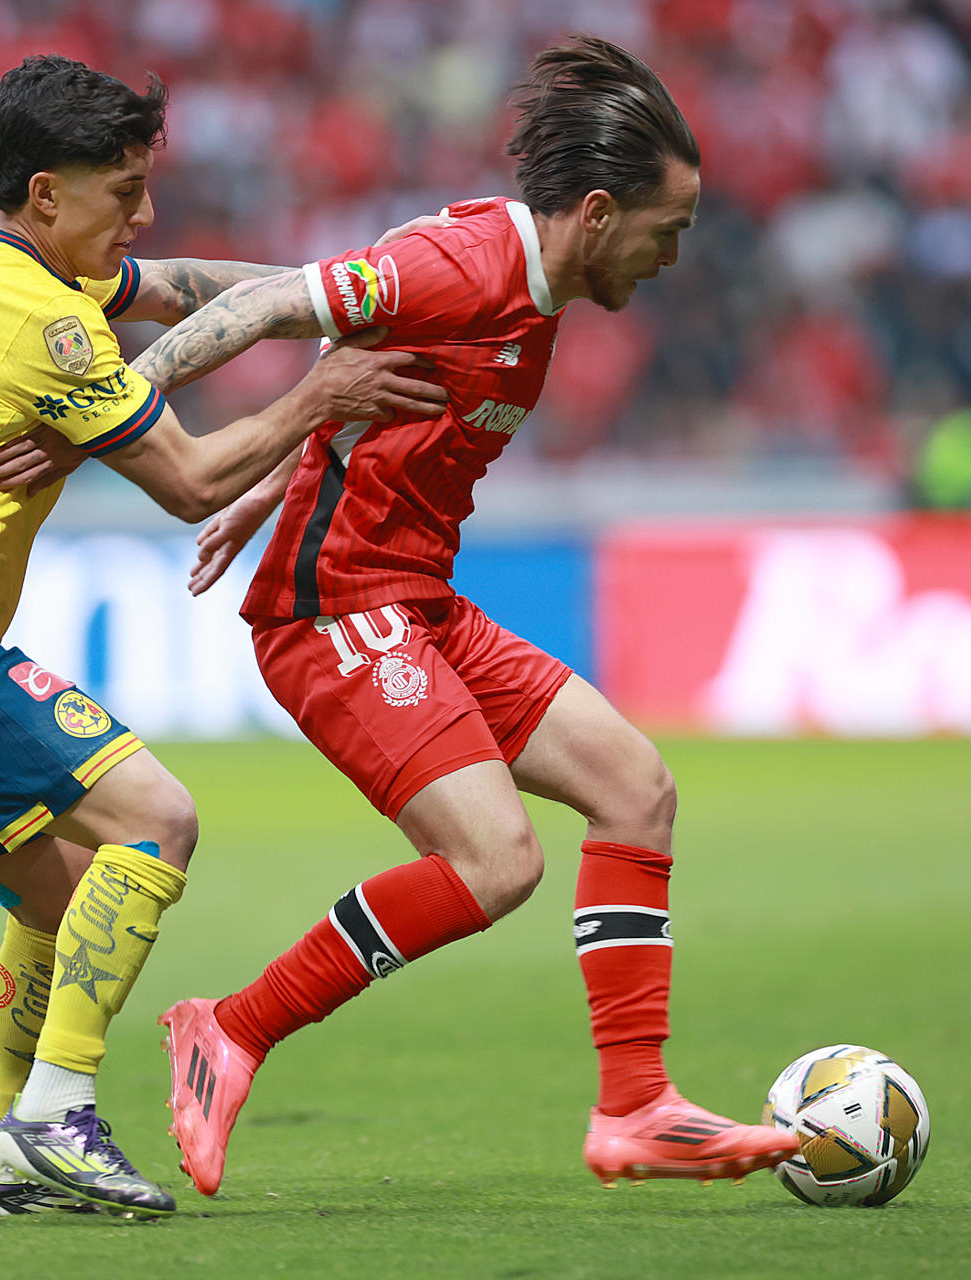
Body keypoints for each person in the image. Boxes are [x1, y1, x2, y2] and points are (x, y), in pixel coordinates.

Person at [124, 36, 802, 1197]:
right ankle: (229, 1027)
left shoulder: (532, 280)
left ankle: (636, 1106)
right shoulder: (463, 265)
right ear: (596, 213)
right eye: (667, 229)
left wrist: (269, 483)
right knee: (496, 861)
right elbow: (272, 304)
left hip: (417, 598)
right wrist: (126, 413)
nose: (672, 254)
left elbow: (358, 359)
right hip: (334, 607)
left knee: (637, 787)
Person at [0, 54, 444, 1220]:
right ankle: (57, 1114)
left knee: (62, 896)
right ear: (47, 193)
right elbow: (194, 481)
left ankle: (6, 1149)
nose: (142, 217)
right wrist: (322, 392)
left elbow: (188, 288)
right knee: (158, 818)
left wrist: (342, 293)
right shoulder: (47, 319)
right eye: (123, 192)